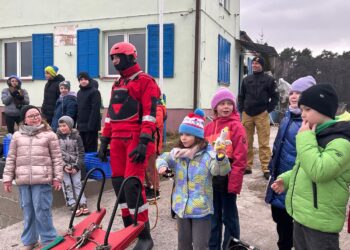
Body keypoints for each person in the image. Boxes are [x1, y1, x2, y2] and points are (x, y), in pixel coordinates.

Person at [98, 41, 161, 250]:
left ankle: (144, 235)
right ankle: (129, 229)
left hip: (136, 139)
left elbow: (151, 114)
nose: (114, 61)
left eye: (117, 57)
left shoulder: (145, 81)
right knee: (118, 186)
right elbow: (110, 116)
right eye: (112, 58)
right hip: (116, 140)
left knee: (132, 186)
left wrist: (144, 141)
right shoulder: (117, 84)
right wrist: (104, 140)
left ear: (130, 57)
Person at [271, 84, 350, 250]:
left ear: (324, 110)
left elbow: (318, 171)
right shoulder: (314, 134)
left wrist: (305, 138)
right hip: (302, 216)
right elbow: (303, 167)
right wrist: (286, 179)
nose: (303, 114)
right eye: (301, 109)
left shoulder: (341, 142)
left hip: (321, 223)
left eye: (307, 109)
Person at [156, 108, 231, 250]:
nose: (183, 138)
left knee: (200, 246)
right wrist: (162, 166)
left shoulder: (208, 155)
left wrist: (221, 157)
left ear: (198, 136)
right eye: (182, 134)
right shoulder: (177, 153)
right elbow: (162, 158)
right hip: (181, 207)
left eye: (188, 134)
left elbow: (219, 170)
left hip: (201, 210)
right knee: (183, 245)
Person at [265, 76, 316, 250]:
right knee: (281, 221)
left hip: (297, 182)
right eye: (292, 92)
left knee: (297, 228)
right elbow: (278, 145)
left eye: (299, 93)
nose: (293, 96)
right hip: (281, 178)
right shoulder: (286, 117)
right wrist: (272, 166)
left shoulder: (310, 122)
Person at [2, 105, 63, 249]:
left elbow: (57, 158)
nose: (35, 118)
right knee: (28, 210)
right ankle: (30, 240)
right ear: (24, 119)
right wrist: (7, 178)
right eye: (31, 116)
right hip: (23, 180)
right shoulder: (17, 136)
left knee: (42, 210)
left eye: (37, 115)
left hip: (42, 179)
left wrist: (57, 177)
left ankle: (49, 239)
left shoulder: (49, 134)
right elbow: (11, 158)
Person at [204, 87, 248, 249]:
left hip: (228, 180)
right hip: (212, 180)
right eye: (222, 103)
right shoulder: (208, 128)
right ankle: (213, 246)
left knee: (229, 217)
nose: (226, 107)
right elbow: (204, 155)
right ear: (215, 107)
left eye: (229, 103)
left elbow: (241, 157)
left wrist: (234, 183)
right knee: (213, 216)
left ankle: (231, 246)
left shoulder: (237, 127)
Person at [238, 56, 279, 179]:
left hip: (262, 114)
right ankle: (247, 166)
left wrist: (268, 110)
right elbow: (241, 96)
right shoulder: (246, 80)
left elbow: (275, 96)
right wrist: (242, 109)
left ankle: (266, 168)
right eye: (253, 63)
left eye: (258, 63)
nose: (255, 65)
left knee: (264, 143)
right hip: (247, 114)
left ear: (262, 65)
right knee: (246, 142)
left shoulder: (269, 80)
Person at [57, 116, 89, 217]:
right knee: (67, 184)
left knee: (77, 183)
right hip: (63, 166)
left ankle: (82, 202)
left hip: (75, 165)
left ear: (70, 126)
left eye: (64, 125)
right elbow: (55, 154)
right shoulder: (56, 137)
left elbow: (81, 153)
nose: (62, 128)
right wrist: (63, 166)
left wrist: (76, 166)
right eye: (60, 126)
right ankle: (72, 203)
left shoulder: (77, 136)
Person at [145, 97, 166, 201]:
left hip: (153, 143)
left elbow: (156, 123)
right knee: (146, 167)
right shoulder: (149, 107)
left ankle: (155, 190)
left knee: (151, 168)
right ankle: (149, 186)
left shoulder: (158, 108)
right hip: (147, 142)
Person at [77, 72, 101, 152]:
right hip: (81, 126)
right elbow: (79, 109)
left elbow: (95, 110)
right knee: (82, 148)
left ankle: (91, 164)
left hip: (91, 127)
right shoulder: (79, 93)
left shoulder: (94, 92)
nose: (83, 81)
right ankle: (84, 164)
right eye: (81, 79)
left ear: (89, 80)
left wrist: (91, 126)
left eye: (85, 79)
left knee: (91, 149)